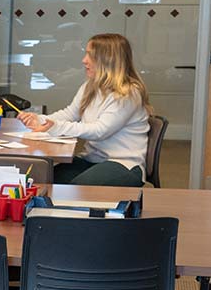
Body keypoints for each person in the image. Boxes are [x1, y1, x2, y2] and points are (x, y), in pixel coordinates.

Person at [17, 33, 150, 187]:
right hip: (92, 159)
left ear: (108, 60)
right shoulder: (90, 86)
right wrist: (39, 119)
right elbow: (70, 114)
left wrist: (54, 127)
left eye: (90, 55)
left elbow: (100, 131)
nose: (84, 60)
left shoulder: (128, 94)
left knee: (78, 188)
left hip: (124, 164)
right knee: (43, 178)